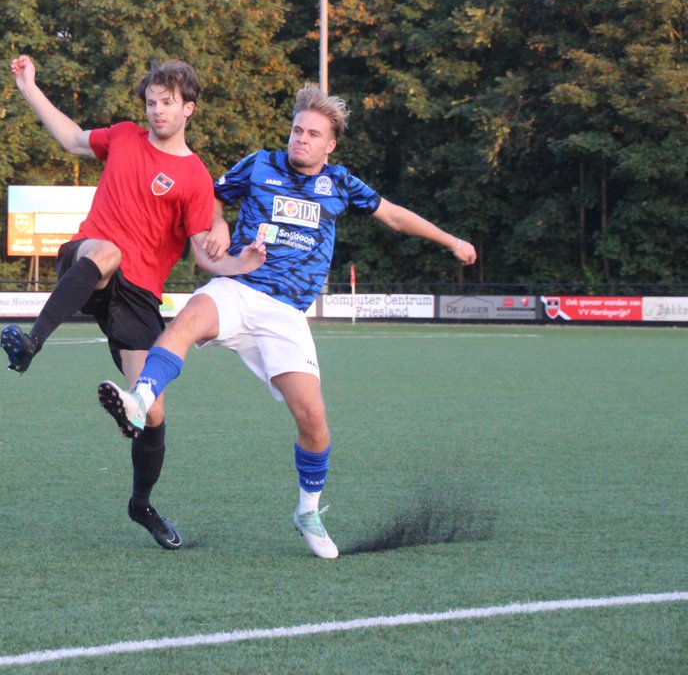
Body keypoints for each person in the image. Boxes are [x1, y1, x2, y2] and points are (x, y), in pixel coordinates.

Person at [98, 83, 477, 559]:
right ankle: (141, 400)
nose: (300, 139)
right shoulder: (260, 164)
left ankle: (308, 511)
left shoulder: (339, 184)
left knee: (314, 421)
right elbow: (209, 198)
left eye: (312, 134)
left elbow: (395, 217)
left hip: (286, 314)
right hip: (239, 286)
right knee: (187, 319)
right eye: (297, 130)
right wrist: (216, 226)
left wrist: (451, 241)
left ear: (329, 145)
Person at [1, 54, 266, 549]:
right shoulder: (123, 136)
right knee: (106, 250)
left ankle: (141, 504)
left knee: (154, 409)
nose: (155, 111)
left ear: (189, 108)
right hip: (91, 262)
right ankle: (30, 344)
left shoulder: (193, 177)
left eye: (166, 103)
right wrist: (28, 86)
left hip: (140, 295)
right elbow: (73, 139)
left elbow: (203, 258)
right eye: (150, 102)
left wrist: (240, 264)